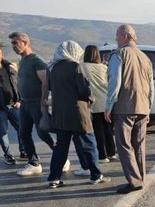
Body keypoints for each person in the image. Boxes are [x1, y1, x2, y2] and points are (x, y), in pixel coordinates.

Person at [47, 40, 109, 188]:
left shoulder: (53, 68)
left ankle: (54, 177)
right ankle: (96, 175)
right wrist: (91, 98)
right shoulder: (76, 67)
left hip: (60, 114)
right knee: (88, 144)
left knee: (61, 147)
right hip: (78, 112)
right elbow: (84, 90)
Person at [9, 32, 68, 176]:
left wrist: (43, 102)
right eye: (12, 43)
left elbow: (45, 82)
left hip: (36, 103)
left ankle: (62, 157)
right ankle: (34, 163)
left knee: (43, 132)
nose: (13, 46)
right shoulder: (22, 61)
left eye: (15, 43)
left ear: (25, 42)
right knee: (23, 133)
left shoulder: (36, 60)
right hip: (25, 104)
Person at [105, 24, 154, 194]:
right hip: (142, 107)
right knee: (139, 145)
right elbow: (150, 87)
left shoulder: (119, 54)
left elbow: (115, 82)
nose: (115, 39)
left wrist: (108, 106)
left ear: (125, 37)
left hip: (124, 107)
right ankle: (140, 177)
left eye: (117, 36)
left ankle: (134, 181)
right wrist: (148, 108)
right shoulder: (145, 58)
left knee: (124, 145)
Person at [80, 45, 115, 167]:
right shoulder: (104, 67)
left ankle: (103, 155)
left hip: (94, 103)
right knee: (108, 129)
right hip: (107, 102)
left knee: (98, 130)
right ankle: (112, 152)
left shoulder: (83, 67)